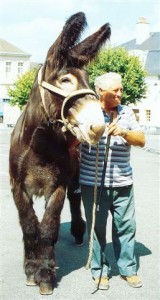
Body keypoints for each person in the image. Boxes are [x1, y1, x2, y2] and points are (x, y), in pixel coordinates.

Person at [79, 72, 145, 290]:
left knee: (126, 227)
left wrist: (124, 133)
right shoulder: (88, 113)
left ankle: (127, 269)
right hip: (93, 184)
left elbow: (141, 140)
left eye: (121, 89)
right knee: (97, 229)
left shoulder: (126, 112)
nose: (120, 93)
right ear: (100, 91)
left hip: (123, 183)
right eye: (115, 90)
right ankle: (100, 271)